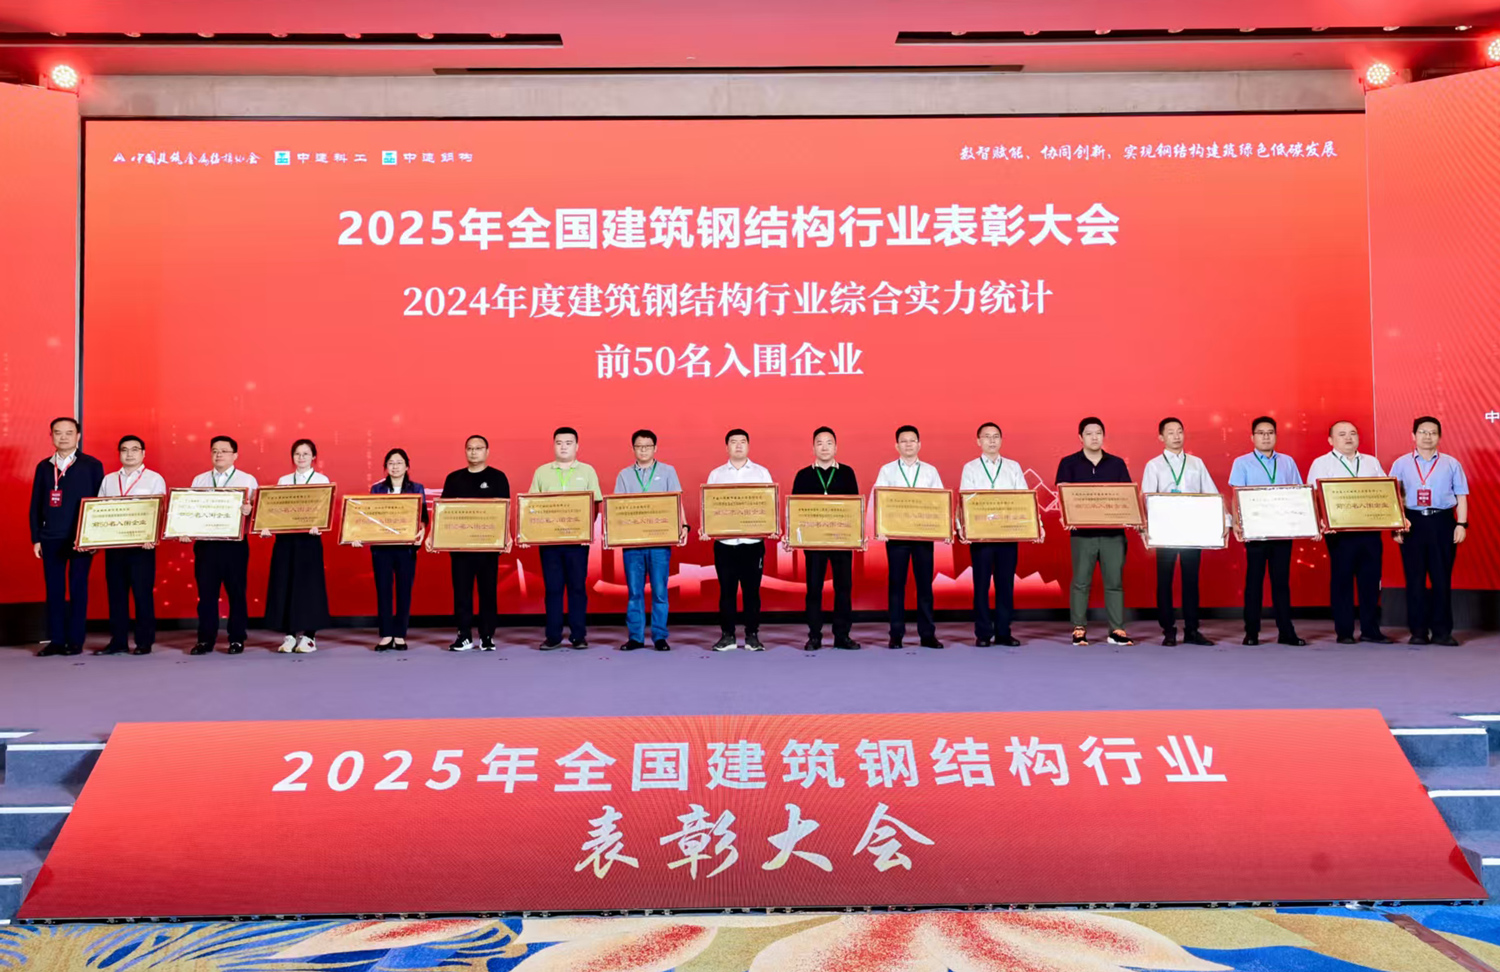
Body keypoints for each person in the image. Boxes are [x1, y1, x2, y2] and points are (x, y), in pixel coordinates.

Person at [1307, 421, 1395, 645]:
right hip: (1339, 533)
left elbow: (1386, 492)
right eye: (1342, 434)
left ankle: (1370, 629)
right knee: (1342, 580)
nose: (1348, 438)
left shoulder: (1371, 462)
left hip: (1370, 530)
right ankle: (1344, 631)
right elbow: (1313, 496)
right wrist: (1317, 523)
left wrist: (1395, 519)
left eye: (1353, 433)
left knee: (1370, 580)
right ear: (1330, 440)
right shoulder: (1321, 463)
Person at [1390, 416, 1469, 646]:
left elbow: (1461, 495)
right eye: (1423, 432)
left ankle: (1443, 632)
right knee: (1414, 579)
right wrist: (1396, 526)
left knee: (1441, 578)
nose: (1427, 437)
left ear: (1439, 437)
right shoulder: (1400, 464)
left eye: (1433, 433)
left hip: (1442, 522)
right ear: (1413, 436)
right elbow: (1392, 496)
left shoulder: (1451, 464)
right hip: (1411, 522)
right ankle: (1418, 632)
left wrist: (1461, 524)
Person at [1228, 416, 1307, 647]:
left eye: (1270, 433)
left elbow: (1298, 493)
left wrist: (1303, 523)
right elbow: (1236, 495)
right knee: (1254, 582)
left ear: (1276, 436)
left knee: (1281, 582)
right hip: (1255, 531)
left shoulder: (1287, 462)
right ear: (1252, 437)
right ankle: (1251, 632)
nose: (1266, 437)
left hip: (1283, 530)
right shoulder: (1242, 462)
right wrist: (1237, 523)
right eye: (1261, 433)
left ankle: (1286, 632)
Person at [1056, 417, 1135, 647]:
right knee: (1081, 582)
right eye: (1089, 433)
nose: (1094, 437)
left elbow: (1126, 496)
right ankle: (1079, 627)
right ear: (1080, 437)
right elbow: (1063, 495)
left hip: (1113, 534)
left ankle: (1117, 629)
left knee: (1114, 582)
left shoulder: (1117, 464)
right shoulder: (1068, 463)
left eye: (1098, 433)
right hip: (1082, 534)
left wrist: (1131, 516)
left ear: (1103, 436)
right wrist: (1067, 517)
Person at [959, 422, 1039, 647]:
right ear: (979, 441)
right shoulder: (970, 468)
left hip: (1007, 535)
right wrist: (963, 528)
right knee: (981, 585)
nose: (991, 440)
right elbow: (966, 500)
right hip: (981, 537)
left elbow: (1024, 499)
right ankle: (983, 633)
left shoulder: (1013, 467)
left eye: (995, 436)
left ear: (1001, 440)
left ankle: (1004, 632)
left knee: (1005, 585)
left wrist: (1035, 526)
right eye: (987, 436)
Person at [30, 417, 105, 656]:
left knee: (78, 588)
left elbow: (99, 503)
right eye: (58, 432)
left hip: (80, 539)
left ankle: (75, 641)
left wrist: (94, 538)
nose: (63, 437)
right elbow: (35, 504)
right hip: (51, 537)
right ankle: (56, 640)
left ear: (78, 436)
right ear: (51, 436)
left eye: (69, 432)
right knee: (54, 590)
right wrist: (36, 538)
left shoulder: (92, 465)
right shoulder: (44, 467)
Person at [1139, 417, 1217, 647]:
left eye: (1180, 431)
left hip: (1193, 530)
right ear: (1161, 437)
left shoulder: (1196, 463)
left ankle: (1192, 629)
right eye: (1170, 432)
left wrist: (1223, 523)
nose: (1176, 436)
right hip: (1165, 530)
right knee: (1165, 581)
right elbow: (1146, 498)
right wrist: (1147, 528)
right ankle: (1168, 630)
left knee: (1191, 580)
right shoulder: (1154, 465)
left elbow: (1211, 494)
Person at [527, 426, 603, 650]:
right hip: (550, 543)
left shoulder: (587, 471)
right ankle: (553, 636)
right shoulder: (542, 472)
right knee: (553, 589)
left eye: (568, 443)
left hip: (577, 543)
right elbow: (532, 505)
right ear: (553, 445)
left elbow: (595, 504)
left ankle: (578, 636)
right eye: (559, 443)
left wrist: (585, 530)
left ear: (577, 446)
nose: (563, 447)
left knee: (577, 588)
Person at [613, 429, 687, 651]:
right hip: (633, 544)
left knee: (660, 591)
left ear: (655, 448)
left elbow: (676, 502)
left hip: (659, 543)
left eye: (647, 446)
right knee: (635, 592)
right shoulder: (624, 475)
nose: (643, 450)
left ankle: (659, 637)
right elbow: (617, 508)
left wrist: (683, 526)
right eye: (639, 446)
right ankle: (635, 637)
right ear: (633, 449)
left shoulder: (667, 471)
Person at [434, 435, 509, 652]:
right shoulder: (454, 478)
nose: (474, 452)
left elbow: (504, 509)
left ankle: (487, 635)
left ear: (487, 451)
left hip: (488, 547)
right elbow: (444, 512)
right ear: (465, 451)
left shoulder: (498, 477)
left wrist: (507, 536)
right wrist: (435, 537)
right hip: (460, 548)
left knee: (488, 592)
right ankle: (464, 635)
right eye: (470, 448)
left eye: (478, 448)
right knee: (461, 592)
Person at [874, 425, 945, 650]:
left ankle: (927, 634)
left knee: (925, 586)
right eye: (903, 441)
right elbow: (879, 500)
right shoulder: (887, 471)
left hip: (923, 536)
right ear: (897, 445)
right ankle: (896, 634)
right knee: (897, 586)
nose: (908, 444)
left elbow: (940, 502)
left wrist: (943, 530)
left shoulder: (930, 471)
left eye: (912, 440)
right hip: (897, 538)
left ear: (919, 444)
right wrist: (880, 528)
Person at [790, 426, 861, 651]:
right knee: (814, 589)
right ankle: (814, 636)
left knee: (843, 588)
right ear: (813, 448)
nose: (824, 447)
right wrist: (793, 537)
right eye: (819, 443)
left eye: (829, 443)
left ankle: (842, 636)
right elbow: (796, 510)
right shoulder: (803, 475)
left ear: (836, 447)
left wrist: (858, 536)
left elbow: (855, 508)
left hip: (842, 541)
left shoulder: (847, 473)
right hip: (814, 543)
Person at [96, 435, 167, 655]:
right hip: (115, 547)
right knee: (116, 595)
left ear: (143, 453)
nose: (129, 454)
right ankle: (118, 641)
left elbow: (160, 510)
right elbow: (98, 510)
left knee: (142, 594)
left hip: (142, 547)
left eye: (135, 449)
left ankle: (144, 641)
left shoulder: (154, 479)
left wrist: (152, 536)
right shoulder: (108, 479)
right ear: (119, 453)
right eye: (124, 450)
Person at [187, 435, 257, 655]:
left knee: (236, 593)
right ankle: (205, 639)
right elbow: (189, 510)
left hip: (235, 545)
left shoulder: (247, 480)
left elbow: (259, 514)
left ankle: (237, 638)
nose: (219, 455)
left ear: (235, 455)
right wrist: (184, 530)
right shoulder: (200, 480)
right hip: (206, 545)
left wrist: (250, 510)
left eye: (224, 451)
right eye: (215, 451)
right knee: (206, 594)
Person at [705, 429, 773, 651]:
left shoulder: (761, 473)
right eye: (733, 442)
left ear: (748, 446)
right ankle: (728, 636)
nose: (738, 445)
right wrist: (707, 528)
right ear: (727, 447)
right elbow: (710, 507)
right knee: (727, 591)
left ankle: (752, 636)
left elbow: (768, 505)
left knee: (752, 592)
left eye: (743, 441)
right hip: (725, 544)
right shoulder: (716, 475)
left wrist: (772, 526)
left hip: (752, 544)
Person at [261, 438, 331, 654]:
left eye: (305, 454)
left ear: (313, 457)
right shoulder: (284, 480)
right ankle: (290, 634)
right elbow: (275, 509)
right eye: (297, 454)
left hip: (309, 540)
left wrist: (319, 524)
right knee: (286, 583)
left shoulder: (321, 480)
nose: (301, 458)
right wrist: (266, 526)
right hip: (286, 540)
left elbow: (324, 509)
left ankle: (309, 636)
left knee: (309, 586)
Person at [354, 448, 427, 651]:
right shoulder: (377, 489)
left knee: (404, 591)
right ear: (385, 467)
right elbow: (369, 518)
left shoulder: (416, 488)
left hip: (406, 548)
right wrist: (358, 535)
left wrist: (421, 530)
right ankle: (386, 634)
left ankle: (400, 634)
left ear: (407, 466)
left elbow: (423, 517)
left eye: (399, 463)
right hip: (382, 548)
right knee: (383, 590)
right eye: (391, 463)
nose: (395, 467)